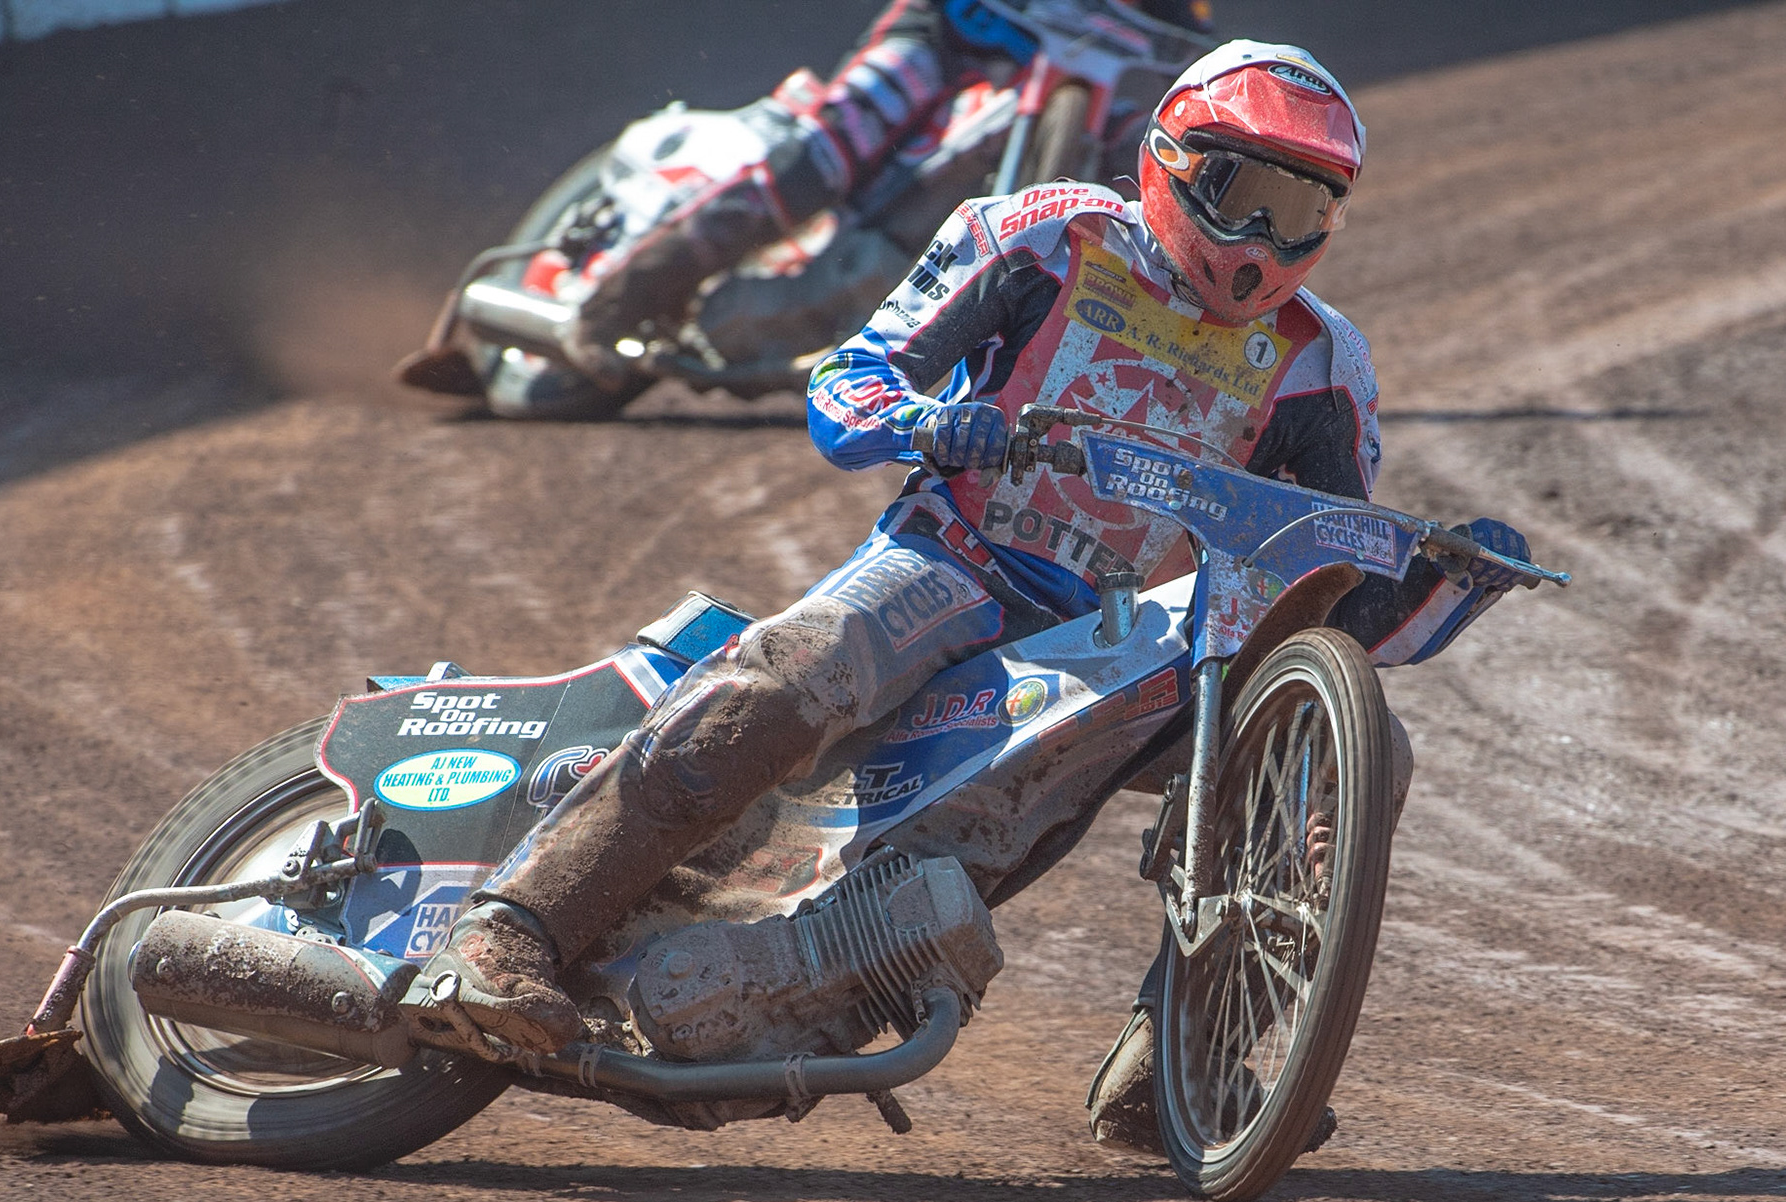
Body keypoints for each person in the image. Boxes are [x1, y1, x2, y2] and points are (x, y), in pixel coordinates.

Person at [423, 41, 1532, 1119]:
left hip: (1138, 644)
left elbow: (1330, 578)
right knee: (793, 668)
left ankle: (1183, 1063)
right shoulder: (1044, 237)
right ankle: (515, 926)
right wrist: (925, 421)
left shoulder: (1320, 361)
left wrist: (1438, 574)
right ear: (1171, 161)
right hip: (950, 564)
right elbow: (848, 382)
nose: (1260, 238)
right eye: (1242, 191)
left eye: (1300, 213)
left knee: (1364, 747)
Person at [550, 0, 1218, 388]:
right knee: (828, 151)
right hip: (961, 30)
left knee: (1144, 189)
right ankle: (618, 296)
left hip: (1096, 69)